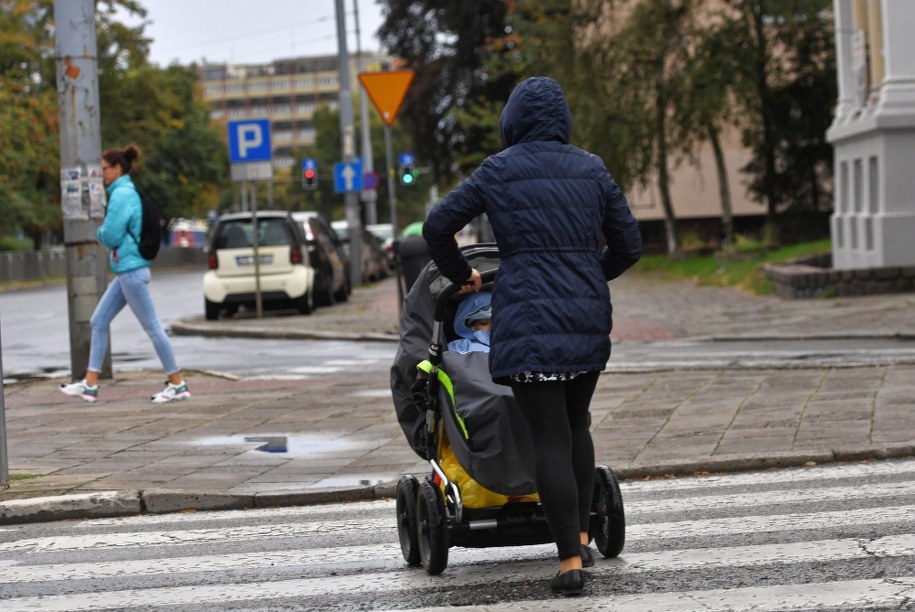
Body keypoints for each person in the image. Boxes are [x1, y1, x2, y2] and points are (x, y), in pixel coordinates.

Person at [422, 77, 641, 596]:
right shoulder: (592, 168)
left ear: (513, 121)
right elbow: (630, 244)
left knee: (549, 436)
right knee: (577, 423)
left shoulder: (499, 169)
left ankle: (570, 563)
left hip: (527, 317)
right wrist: (588, 276)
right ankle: (582, 536)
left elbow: (437, 226)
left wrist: (462, 274)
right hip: (586, 316)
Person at [59, 144, 191, 404]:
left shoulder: (121, 195)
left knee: (153, 327)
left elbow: (110, 236)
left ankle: (177, 383)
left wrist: (98, 231)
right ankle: (90, 384)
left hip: (131, 271)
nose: (101, 174)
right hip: (126, 271)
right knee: (98, 321)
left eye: (104, 169)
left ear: (117, 168)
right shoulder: (126, 192)